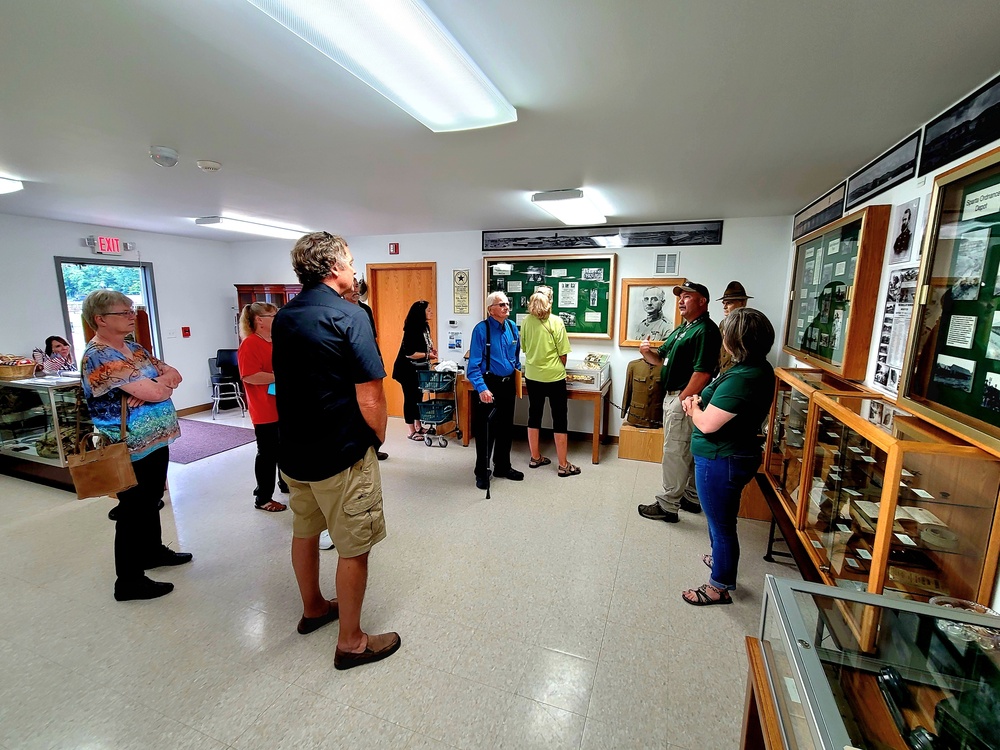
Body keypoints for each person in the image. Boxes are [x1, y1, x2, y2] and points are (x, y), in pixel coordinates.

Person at [272, 231, 400, 670]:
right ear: (333, 270)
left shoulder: (285, 316)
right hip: (339, 452)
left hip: (294, 452)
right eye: (349, 262)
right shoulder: (349, 315)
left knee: (305, 531)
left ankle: (314, 608)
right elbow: (370, 395)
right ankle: (352, 642)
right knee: (353, 546)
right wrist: (377, 439)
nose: (353, 269)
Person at [79, 289, 192, 602]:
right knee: (132, 509)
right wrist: (158, 387)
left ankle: (152, 552)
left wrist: (158, 384)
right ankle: (128, 580)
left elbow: (175, 374)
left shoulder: (134, 348)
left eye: (131, 310)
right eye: (123, 312)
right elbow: (160, 391)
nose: (132, 315)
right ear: (100, 320)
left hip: (156, 437)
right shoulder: (99, 357)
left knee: (152, 498)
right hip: (128, 444)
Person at [680, 308, 775, 605]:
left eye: (726, 335)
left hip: (722, 459)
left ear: (737, 340)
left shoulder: (744, 378)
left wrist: (692, 407)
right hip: (733, 454)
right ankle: (720, 559)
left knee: (722, 525)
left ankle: (718, 586)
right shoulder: (756, 368)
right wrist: (700, 404)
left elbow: (708, 424)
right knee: (719, 519)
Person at [637, 281, 721, 523]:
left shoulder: (705, 330)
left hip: (685, 397)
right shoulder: (684, 328)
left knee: (675, 451)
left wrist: (682, 400)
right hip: (678, 396)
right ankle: (691, 498)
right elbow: (659, 357)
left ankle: (667, 505)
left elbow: (703, 373)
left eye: (687, 296)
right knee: (687, 449)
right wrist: (646, 352)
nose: (681, 301)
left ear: (702, 301)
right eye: (680, 297)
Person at [520, 287, 579, 477]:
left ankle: (535, 457)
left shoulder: (526, 322)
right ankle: (563, 464)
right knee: (559, 418)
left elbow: (525, 348)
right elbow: (563, 354)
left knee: (534, 414)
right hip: (554, 376)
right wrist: (556, 367)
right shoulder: (556, 321)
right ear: (550, 301)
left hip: (532, 375)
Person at [467, 291, 523, 490]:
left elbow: (515, 356)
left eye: (507, 304)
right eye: (501, 305)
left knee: (506, 428)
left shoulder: (512, 328)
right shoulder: (481, 330)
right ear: (491, 309)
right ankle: (481, 471)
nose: (506, 307)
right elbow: (473, 366)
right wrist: (482, 388)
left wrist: (517, 373)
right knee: (485, 431)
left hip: (508, 385)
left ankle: (503, 466)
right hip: (488, 385)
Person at [237, 302, 288, 512]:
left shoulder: (275, 341)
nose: (277, 318)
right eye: (273, 315)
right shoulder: (250, 344)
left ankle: (285, 483)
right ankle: (263, 497)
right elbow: (249, 375)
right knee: (268, 454)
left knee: (285, 450)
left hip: (282, 405)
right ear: (259, 320)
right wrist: (280, 377)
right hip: (265, 409)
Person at [349, 277, 388, 460]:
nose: (355, 289)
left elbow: (372, 338)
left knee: (371, 404)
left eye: (357, 286)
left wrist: (377, 360)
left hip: (366, 359)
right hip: (349, 368)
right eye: (352, 286)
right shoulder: (339, 312)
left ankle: (373, 446)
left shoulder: (365, 310)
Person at [391, 300, 436, 440]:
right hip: (407, 369)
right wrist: (428, 355)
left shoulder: (424, 327)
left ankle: (419, 425)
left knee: (418, 397)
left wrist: (429, 349)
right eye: (428, 310)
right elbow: (410, 353)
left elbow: (424, 344)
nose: (431, 312)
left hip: (418, 368)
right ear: (420, 312)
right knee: (410, 398)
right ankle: (411, 431)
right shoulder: (412, 328)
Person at [717, 281, 752, 373]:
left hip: (740, 373)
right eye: (723, 303)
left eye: (729, 303)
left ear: (743, 303)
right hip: (724, 373)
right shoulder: (723, 324)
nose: (724, 307)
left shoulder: (750, 325)